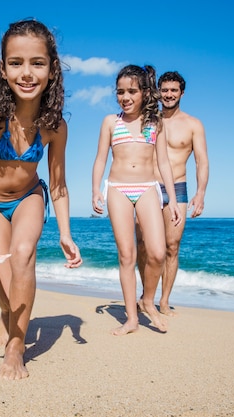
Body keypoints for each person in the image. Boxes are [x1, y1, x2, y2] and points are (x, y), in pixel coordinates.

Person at [0, 19, 82, 380]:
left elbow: (58, 185)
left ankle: (16, 345)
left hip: (29, 197)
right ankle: (6, 311)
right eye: (16, 63)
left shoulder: (54, 126)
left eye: (37, 63)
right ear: (3, 68)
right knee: (7, 290)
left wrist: (66, 233)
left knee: (24, 254)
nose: (27, 73)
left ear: (52, 68)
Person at [92, 65, 182, 336]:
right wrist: (96, 189)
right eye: (120, 92)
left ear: (144, 92)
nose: (125, 97)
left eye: (132, 91)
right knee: (127, 255)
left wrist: (174, 200)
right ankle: (131, 318)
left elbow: (164, 163)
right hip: (118, 188)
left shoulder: (155, 123)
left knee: (156, 252)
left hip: (147, 188)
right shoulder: (110, 121)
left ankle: (147, 299)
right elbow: (100, 158)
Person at [136, 71, 209, 316]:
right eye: (164, 90)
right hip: (147, 186)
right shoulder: (148, 120)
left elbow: (202, 161)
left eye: (173, 90)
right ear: (158, 91)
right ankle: (146, 296)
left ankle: (163, 301)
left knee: (172, 246)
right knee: (143, 245)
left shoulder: (193, 125)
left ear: (182, 93)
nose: (168, 94)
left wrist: (200, 193)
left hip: (177, 188)